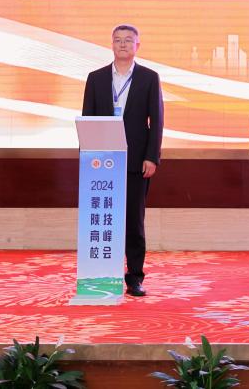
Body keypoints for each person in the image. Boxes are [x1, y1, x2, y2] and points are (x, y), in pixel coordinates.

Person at [82, 24, 164, 297]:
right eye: (117, 40)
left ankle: (135, 277)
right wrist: (88, 156)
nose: (123, 44)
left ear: (137, 46)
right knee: (103, 217)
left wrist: (152, 157)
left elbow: (157, 120)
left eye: (128, 40)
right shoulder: (96, 78)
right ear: (111, 44)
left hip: (136, 160)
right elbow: (88, 119)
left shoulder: (149, 77)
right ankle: (102, 274)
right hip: (102, 161)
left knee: (133, 222)